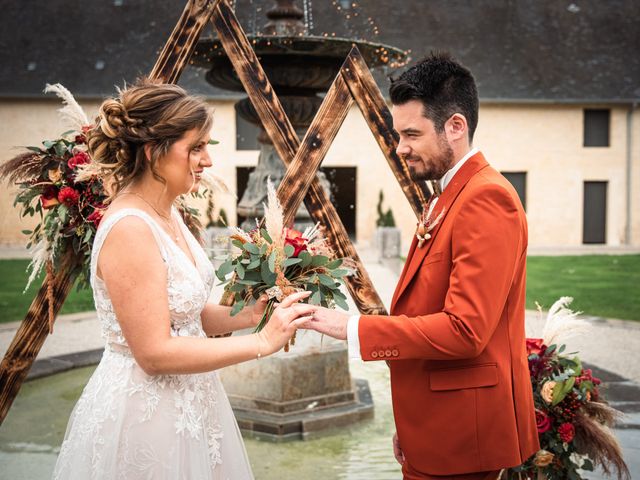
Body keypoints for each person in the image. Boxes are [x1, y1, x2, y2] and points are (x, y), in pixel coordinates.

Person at [52, 80, 314, 479]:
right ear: (154, 150)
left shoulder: (165, 212)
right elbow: (154, 352)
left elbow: (185, 316)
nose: (207, 160)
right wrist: (261, 342)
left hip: (192, 401)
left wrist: (250, 315)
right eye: (196, 147)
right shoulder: (130, 228)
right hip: (146, 414)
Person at [303, 52, 539, 479]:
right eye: (398, 134)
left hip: (464, 437)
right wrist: (413, 419)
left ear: (456, 126)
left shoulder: (487, 198)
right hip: (437, 424)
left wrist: (353, 328)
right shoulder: (448, 193)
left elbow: (466, 331)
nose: (401, 148)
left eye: (412, 133)